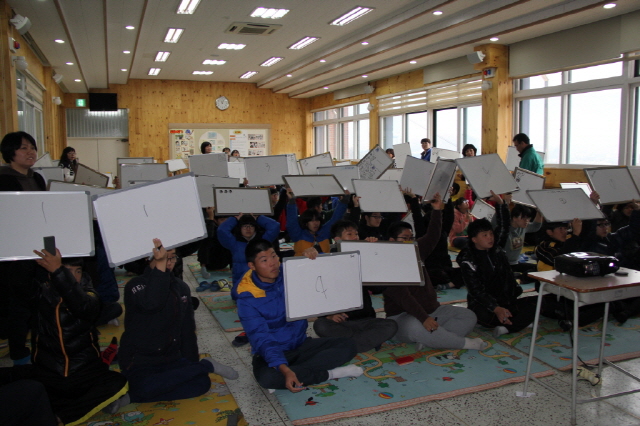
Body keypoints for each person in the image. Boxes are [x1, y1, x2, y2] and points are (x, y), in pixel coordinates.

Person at [0, 246, 129, 425]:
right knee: (19, 381)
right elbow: (19, 284)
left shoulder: (90, 295)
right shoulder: (41, 294)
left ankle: (60, 417)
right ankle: (63, 405)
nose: (74, 277)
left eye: (78, 271)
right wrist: (28, 253)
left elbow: (83, 307)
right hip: (49, 374)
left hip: (84, 375)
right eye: (67, 272)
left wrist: (59, 271)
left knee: (118, 382)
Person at [119, 239, 238, 403]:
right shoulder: (135, 285)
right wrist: (160, 269)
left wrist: (192, 363)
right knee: (144, 386)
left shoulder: (181, 287)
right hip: (140, 360)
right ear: (149, 258)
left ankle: (135, 396)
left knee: (201, 384)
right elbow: (153, 303)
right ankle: (206, 366)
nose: (168, 263)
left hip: (171, 359)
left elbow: (187, 329)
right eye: (163, 258)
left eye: (172, 258)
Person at [237, 239, 363, 392]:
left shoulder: (290, 271)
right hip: (271, 352)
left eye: (274, 256)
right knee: (267, 378)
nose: (273, 263)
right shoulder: (246, 299)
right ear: (252, 266)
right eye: (264, 260)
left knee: (348, 345)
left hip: (301, 345)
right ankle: (329, 374)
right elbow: (262, 339)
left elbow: (325, 271)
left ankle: (294, 374)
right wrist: (284, 369)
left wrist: (309, 257)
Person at [383, 193, 486, 351]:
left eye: (411, 238)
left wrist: (437, 210)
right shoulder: (385, 265)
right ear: (391, 241)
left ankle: (433, 339)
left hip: (433, 311)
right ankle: (464, 344)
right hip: (403, 316)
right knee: (415, 327)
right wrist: (424, 318)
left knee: (469, 316)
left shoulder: (416, 251)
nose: (409, 241)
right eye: (404, 238)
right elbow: (404, 298)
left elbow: (433, 236)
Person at [457, 191, 537, 337]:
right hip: (485, 306)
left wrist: (501, 204)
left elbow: (504, 226)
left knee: (537, 303)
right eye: (485, 235)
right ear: (474, 239)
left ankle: (508, 327)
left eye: (491, 234)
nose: (490, 238)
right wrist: (496, 308)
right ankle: (516, 322)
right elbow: (476, 292)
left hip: (506, 300)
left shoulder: (496, 249)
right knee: (482, 317)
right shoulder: (468, 261)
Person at [312, 220, 398, 352]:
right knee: (320, 325)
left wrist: (373, 252)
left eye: (356, 234)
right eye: (350, 234)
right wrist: (328, 316)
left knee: (391, 325)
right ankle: (364, 342)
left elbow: (378, 288)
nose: (355, 237)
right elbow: (319, 294)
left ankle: (349, 345)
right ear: (337, 239)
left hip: (366, 320)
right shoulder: (327, 263)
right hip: (342, 323)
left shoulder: (362, 259)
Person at [0, 131, 46, 365]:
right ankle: (18, 351)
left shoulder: (37, 178)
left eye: (32, 147)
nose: (30, 152)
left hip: (38, 247)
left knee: (40, 299)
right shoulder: (2, 178)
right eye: (23, 148)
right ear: (10, 153)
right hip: (14, 249)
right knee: (18, 303)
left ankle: (40, 347)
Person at [218, 213, 280, 299]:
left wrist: (258, 218)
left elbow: (275, 226)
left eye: (251, 226)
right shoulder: (234, 243)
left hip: (261, 283)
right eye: (245, 226)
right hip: (241, 283)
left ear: (255, 228)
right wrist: (234, 219)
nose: (248, 229)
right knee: (242, 299)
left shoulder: (262, 242)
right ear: (239, 228)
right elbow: (221, 230)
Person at [286, 188, 349, 255]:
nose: (315, 223)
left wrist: (345, 200)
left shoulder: (324, 232)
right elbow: (291, 221)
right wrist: (292, 201)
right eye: (312, 221)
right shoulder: (298, 234)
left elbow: (336, 217)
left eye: (317, 220)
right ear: (306, 223)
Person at [492, 203, 542, 282]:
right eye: (524, 218)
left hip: (515, 263)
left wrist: (539, 213)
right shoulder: (504, 229)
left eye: (528, 218)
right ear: (514, 218)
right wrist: (504, 203)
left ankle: (519, 278)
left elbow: (536, 226)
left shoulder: (523, 228)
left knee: (539, 269)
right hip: (502, 265)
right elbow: (495, 222)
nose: (527, 221)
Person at [198, 207, 233, 280]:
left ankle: (233, 267)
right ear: (215, 220)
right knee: (206, 241)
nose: (225, 222)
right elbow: (206, 240)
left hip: (224, 262)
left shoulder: (230, 229)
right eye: (222, 220)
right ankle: (203, 267)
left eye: (226, 220)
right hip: (210, 263)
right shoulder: (212, 229)